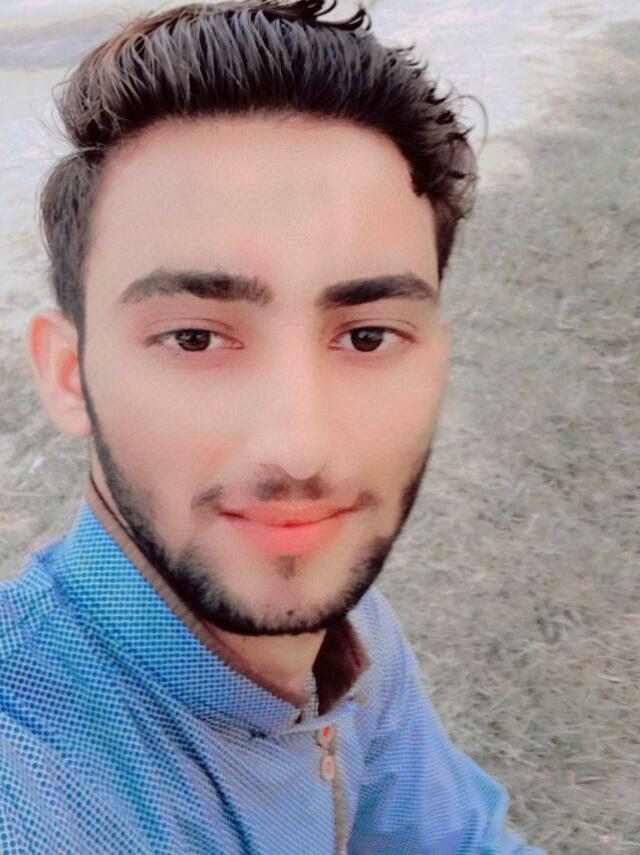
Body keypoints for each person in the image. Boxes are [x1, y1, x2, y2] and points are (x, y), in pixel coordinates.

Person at [0, 1, 544, 852]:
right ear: (70, 375)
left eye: (368, 336)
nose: (299, 449)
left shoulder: (356, 633)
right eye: (194, 337)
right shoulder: (31, 784)